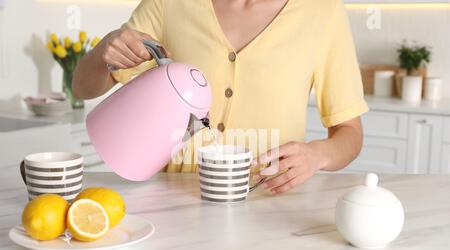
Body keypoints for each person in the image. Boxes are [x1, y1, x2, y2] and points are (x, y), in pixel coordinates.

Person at [73, 0, 368, 195]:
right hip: (174, 204)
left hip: (272, 209)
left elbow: (349, 134)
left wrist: (318, 155)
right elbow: (82, 88)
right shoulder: (169, 4)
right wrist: (104, 53)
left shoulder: (322, 12)